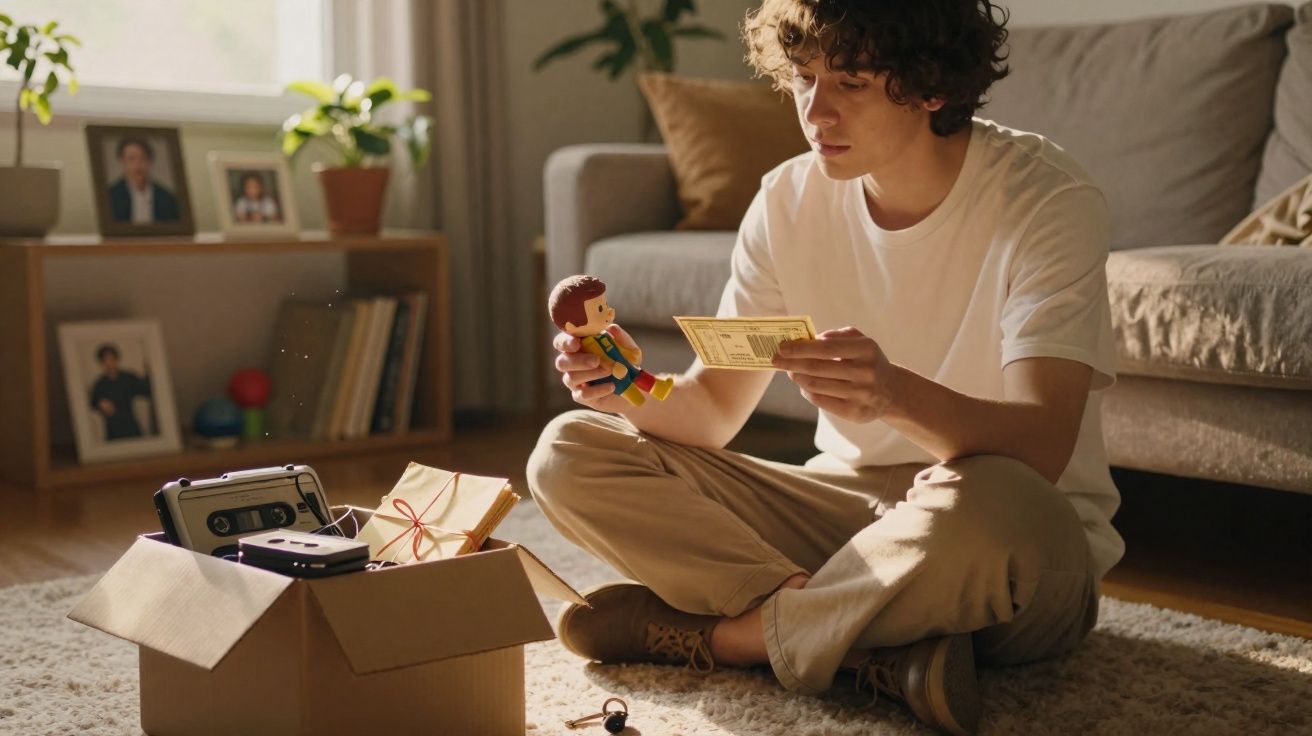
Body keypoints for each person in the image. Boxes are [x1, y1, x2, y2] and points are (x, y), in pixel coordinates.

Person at [528, 1, 1124, 734]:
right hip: (845, 522)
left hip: (1008, 535)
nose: (815, 112)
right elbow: (712, 411)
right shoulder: (786, 199)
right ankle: (854, 645)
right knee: (569, 451)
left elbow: (1043, 446)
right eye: (805, 78)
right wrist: (624, 387)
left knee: (993, 501)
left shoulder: (1048, 199)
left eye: (851, 83)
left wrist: (894, 394)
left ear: (932, 85)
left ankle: (730, 640)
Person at [548, 275, 674, 407]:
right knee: (625, 385)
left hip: (622, 364)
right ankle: (638, 400)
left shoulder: (603, 335)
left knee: (638, 375)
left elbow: (616, 348)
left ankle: (659, 388)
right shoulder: (589, 344)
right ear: (571, 326)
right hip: (614, 374)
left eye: (605, 305)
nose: (609, 311)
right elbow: (599, 360)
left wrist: (630, 353)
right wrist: (612, 368)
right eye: (600, 309)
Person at [107, 137, 180, 224]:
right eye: (131, 159)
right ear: (122, 162)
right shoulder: (110, 196)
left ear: (150, 162)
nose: (137, 165)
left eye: (142, 159)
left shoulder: (167, 198)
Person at [89, 344, 153, 441]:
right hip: (112, 432)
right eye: (105, 360)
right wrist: (100, 404)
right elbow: (92, 402)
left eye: (111, 359)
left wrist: (149, 373)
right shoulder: (100, 383)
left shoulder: (128, 377)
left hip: (131, 428)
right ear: (102, 363)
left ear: (117, 359)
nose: (109, 363)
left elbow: (147, 390)